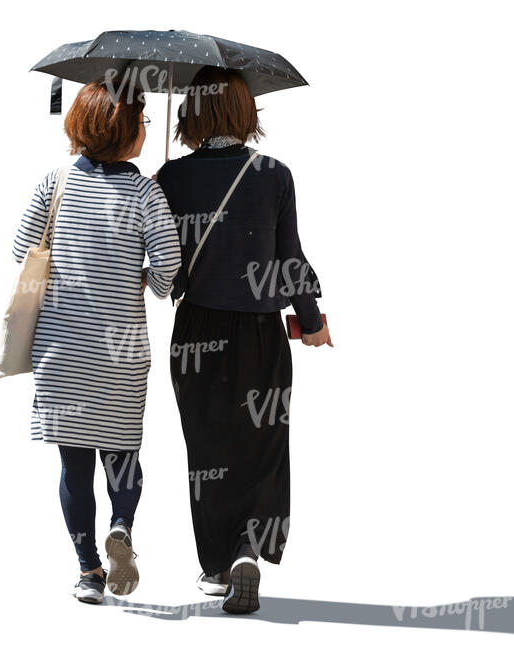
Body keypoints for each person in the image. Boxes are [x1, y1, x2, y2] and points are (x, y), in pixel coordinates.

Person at [156, 66, 332, 614]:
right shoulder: (274, 175)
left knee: (207, 449)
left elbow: (168, 271)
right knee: (261, 447)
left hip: (197, 331)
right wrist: (314, 320)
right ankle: (248, 550)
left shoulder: (170, 177)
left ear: (194, 112)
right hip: (260, 332)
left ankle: (213, 566)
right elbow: (290, 257)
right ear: (245, 113)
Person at [12, 81, 182, 604]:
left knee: (74, 463)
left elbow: (22, 248)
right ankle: (123, 525)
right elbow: (169, 265)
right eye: (143, 122)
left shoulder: (54, 181)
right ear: (127, 132)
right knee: (123, 452)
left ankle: (88, 571)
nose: (146, 130)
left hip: (61, 349)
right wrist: (147, 282)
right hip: (122, 350)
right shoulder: (145, 191)